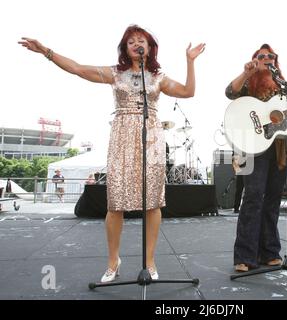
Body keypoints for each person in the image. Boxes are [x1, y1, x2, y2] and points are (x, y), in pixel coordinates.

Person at [19, 25, 205, 282]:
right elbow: (77, 69)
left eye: (142, 41)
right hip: (121, 136)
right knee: (115, 200)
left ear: (149, 48)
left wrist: (190, 61)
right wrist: (46, 52)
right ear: (125, 49)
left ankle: (149, 261)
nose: (137, 44)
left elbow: (188, 92)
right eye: (131, 41)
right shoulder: (115, 74)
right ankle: (112, 261)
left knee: (153, 201)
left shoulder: (158, 77)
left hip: (150, 138)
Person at [225, 43, 287, 272]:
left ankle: (269, 252)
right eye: (261, 56)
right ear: (254, 60)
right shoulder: (248, 84)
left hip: (279, 148)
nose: (267, 58)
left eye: (271, 56)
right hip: (251, 148)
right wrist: (246, 72)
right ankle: (244, 256)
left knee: (272, 200)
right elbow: (229, 92)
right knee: (252, 198)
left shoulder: (284, 90)